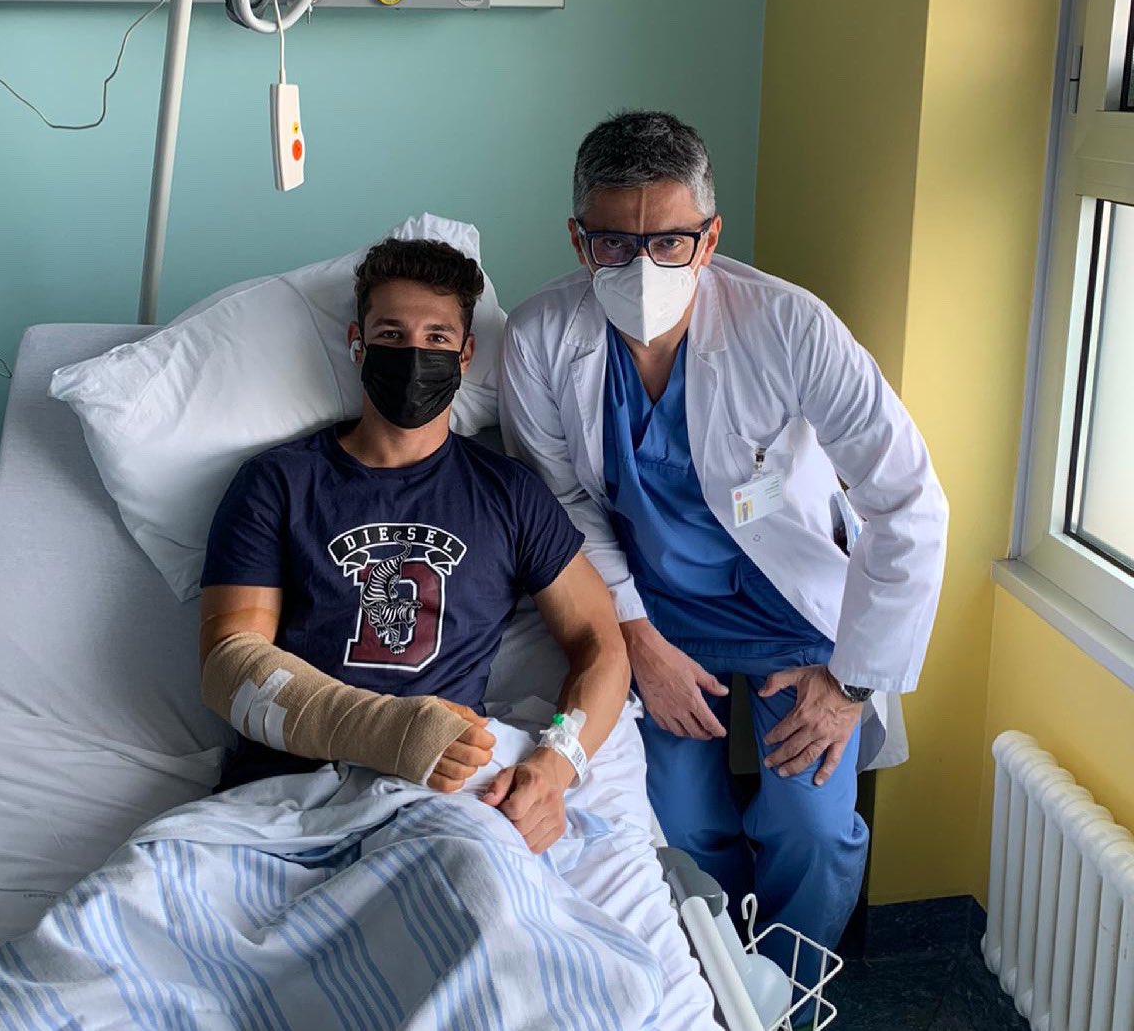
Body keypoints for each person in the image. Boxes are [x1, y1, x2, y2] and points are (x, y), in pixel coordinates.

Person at [500, 110, 949, 983]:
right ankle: (719, 983)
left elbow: (909, 500)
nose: (642, 268)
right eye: (614, 242)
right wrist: (635, 637)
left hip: (797, 614)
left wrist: (852, 683)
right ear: (578, 239)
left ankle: (788, 992)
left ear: (709, 238)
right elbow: (563, 505)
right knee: (674, 818)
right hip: (660, 612)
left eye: (670, 241)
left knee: (812, 827)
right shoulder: (541, 339)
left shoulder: (788, 325)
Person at [200, 236, 631, 853]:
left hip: (437, 803)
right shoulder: (279, 483)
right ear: (357, 344)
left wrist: (557, 762)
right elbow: (229, 667)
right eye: (391, 335)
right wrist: (387, 731)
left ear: (465, 354)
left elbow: (601, 643)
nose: (413, 355)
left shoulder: (508, 494)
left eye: (436, 338)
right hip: (279, 797)